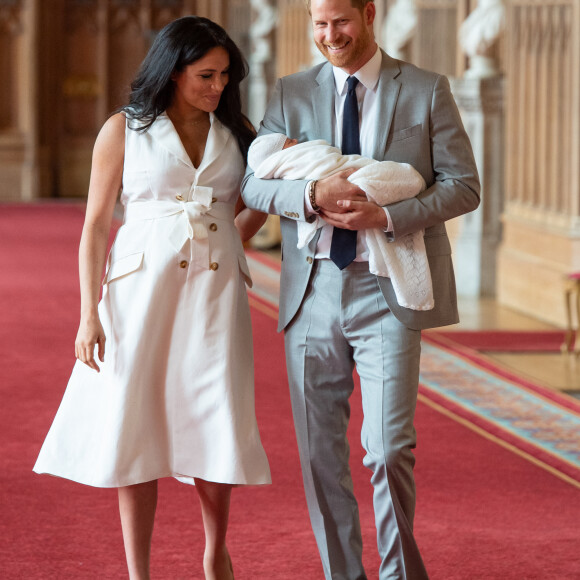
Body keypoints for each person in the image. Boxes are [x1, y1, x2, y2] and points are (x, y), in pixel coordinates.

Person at [241, 0, 480, 578]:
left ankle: (400, 573)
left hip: (387, 290)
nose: (330, 36)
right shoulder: (290, 91)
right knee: (321, 455)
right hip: (311, 290)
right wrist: (307, 196)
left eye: (341, 22)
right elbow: (253, 184)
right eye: (318, 25)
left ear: (368, 13)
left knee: (389, 446)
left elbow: (464, 186)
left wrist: (389, 216)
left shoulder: (425, 88)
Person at [34, 16, 270, 580]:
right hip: (139, 292)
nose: (216, 87)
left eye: (224, 76)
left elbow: (263, 196)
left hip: (215, 292)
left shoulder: (237, 127)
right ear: (172, 70)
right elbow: (94, 226)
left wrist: (231, 238)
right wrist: (87, 314)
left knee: (218, 412)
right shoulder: (124, 129)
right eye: (205, 75)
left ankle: (216, 552)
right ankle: (139, 572)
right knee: (135, 420)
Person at [247, 132, 433, 310]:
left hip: (377, 282)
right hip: (315, 272)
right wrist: (314, 193)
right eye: (289, 142)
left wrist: (383, 217)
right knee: (402, 179)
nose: (296, 140)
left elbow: (329, 157)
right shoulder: (292, 147)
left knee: (403, 179)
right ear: (279, 157)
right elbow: (251, 188)